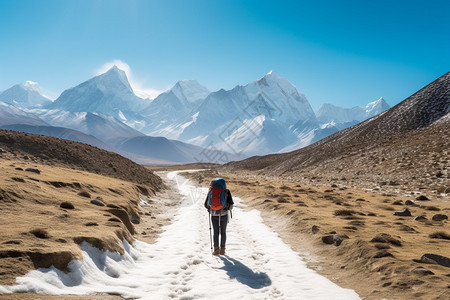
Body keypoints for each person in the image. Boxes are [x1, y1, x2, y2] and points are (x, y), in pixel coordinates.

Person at [204, 178, 234, 256]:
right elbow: (231, 204)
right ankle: (222, 250)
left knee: (215, 232)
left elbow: (205, 204)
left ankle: (216, 250)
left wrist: (210, 209)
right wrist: (226, 208)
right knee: (223, 232)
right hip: (224, 215)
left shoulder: (211, 191)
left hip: (214, 215)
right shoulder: (226, 191)